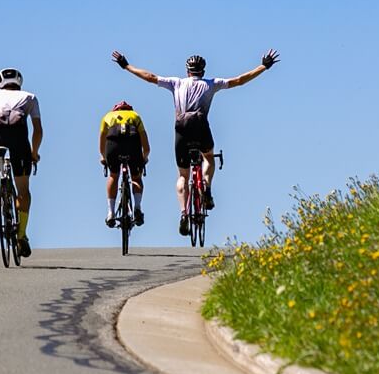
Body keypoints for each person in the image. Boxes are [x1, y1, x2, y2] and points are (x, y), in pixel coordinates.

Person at [110, 48, 279, 235]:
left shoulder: (176, 83)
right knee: (208, 157)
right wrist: (263, 66)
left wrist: (126, 66)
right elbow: (239, 81)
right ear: (203, 71)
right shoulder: (211, 84)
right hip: (201, 127)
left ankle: (183, 213)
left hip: (181, 129)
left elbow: (150, 77)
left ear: (187, 71)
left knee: (182, 175)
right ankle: (206, 186)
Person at [0, 67, 42, 258]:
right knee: (23, 192)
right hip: (19, 137)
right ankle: (21, 235)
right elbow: (38, 129)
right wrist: (34, 152)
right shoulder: (30, 97)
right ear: (20, 82)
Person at [99, 100, 149, 228]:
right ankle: (137, 208)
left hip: (113, 147)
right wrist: (144, 158)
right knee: (136, 177)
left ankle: (110, 212)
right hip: (132, 147)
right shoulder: (135, 116)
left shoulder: (108, 116)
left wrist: (103, 157)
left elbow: (102, 141)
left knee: (114, 176)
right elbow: (145, 144)